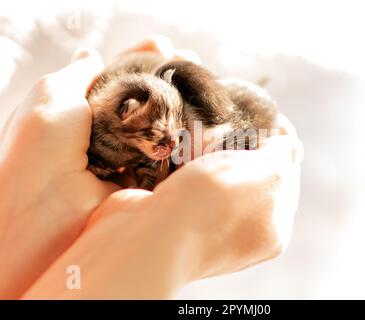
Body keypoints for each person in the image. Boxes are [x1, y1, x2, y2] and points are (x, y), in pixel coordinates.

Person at [0, 36, 302, 299]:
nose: (172, 148)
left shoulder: (174, 122)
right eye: (159, 137)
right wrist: (175, 235)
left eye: (177, 133)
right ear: (124, 112)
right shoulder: (107, 123)